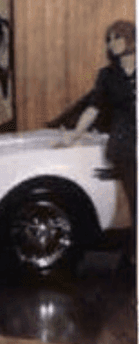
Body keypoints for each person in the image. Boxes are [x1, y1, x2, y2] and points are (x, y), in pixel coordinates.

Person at [64, 20, 136, 236]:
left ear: (131, 39)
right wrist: (74, 136)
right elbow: (93, 109)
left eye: (117, 37)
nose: (111, 44)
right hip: (126, 146)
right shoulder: (107, 75)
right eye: (109, 39)